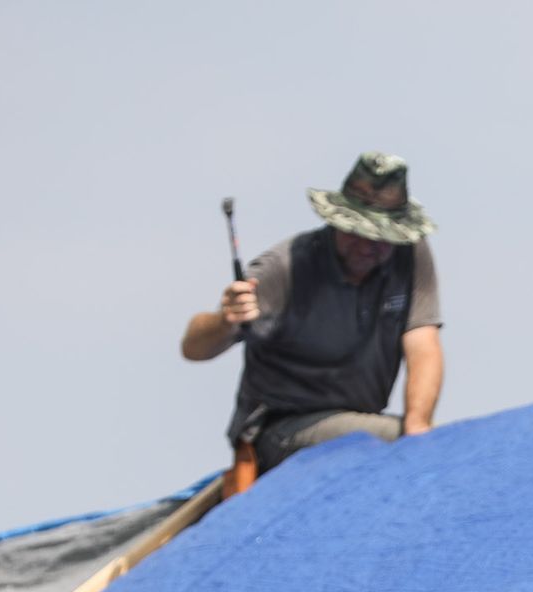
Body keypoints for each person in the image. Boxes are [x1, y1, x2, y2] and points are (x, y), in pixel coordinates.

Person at [180, 151, 445, 474]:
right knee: (389, 440)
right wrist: (224, 320)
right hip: (282, 428)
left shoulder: (408, 255)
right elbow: (193, 348)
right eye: (355, 232)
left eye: (379, 238)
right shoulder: (286, 268)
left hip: (360, 418)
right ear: (335, 221)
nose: (365, 246)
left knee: (426, 444)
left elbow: (423, 343)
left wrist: (418, 431)